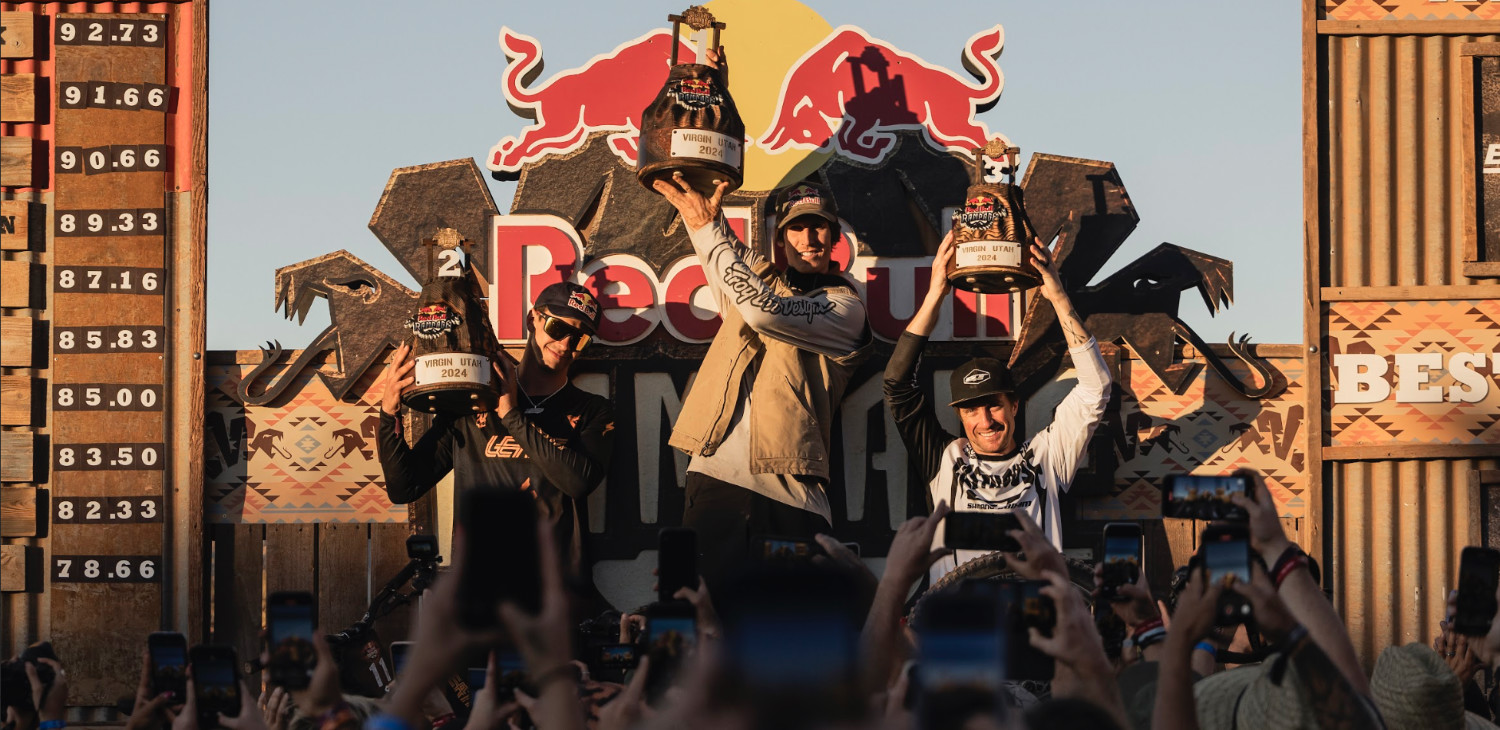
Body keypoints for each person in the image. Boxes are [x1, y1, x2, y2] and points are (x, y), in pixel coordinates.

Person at [653, 170, 872, 592]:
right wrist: (698, 212)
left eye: (819, 226)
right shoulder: (756, 277)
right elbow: (717, 249)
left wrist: (707, 228)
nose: (809, 238)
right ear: (781, 240)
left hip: (791, 494)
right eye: (797, 228)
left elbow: (762, 311)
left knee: (781, 642)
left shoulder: (846, 308)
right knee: (699, 630)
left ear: (834, 238)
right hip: (714, 481)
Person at [883, 229, 1110, 581]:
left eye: (993, 406)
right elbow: (897, 385)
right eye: (971, 410)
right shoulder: (945, 459)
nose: (985, 421)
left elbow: (1096, 387)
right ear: (959, 414)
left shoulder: (1047, 456)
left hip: (1033, 619)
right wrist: (935, 295)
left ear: (1014, 405)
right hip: (961, 621)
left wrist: (1058, 296)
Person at [376, 281, 615, 597]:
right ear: (533, 320)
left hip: (553, 597)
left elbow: (579, 482)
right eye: (557, 327)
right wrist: (388, 414)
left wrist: (512, 416)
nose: (566, 342)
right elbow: (404, 486)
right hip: (479, 593)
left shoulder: (593, 409)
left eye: (580, 337)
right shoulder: (474, 397)